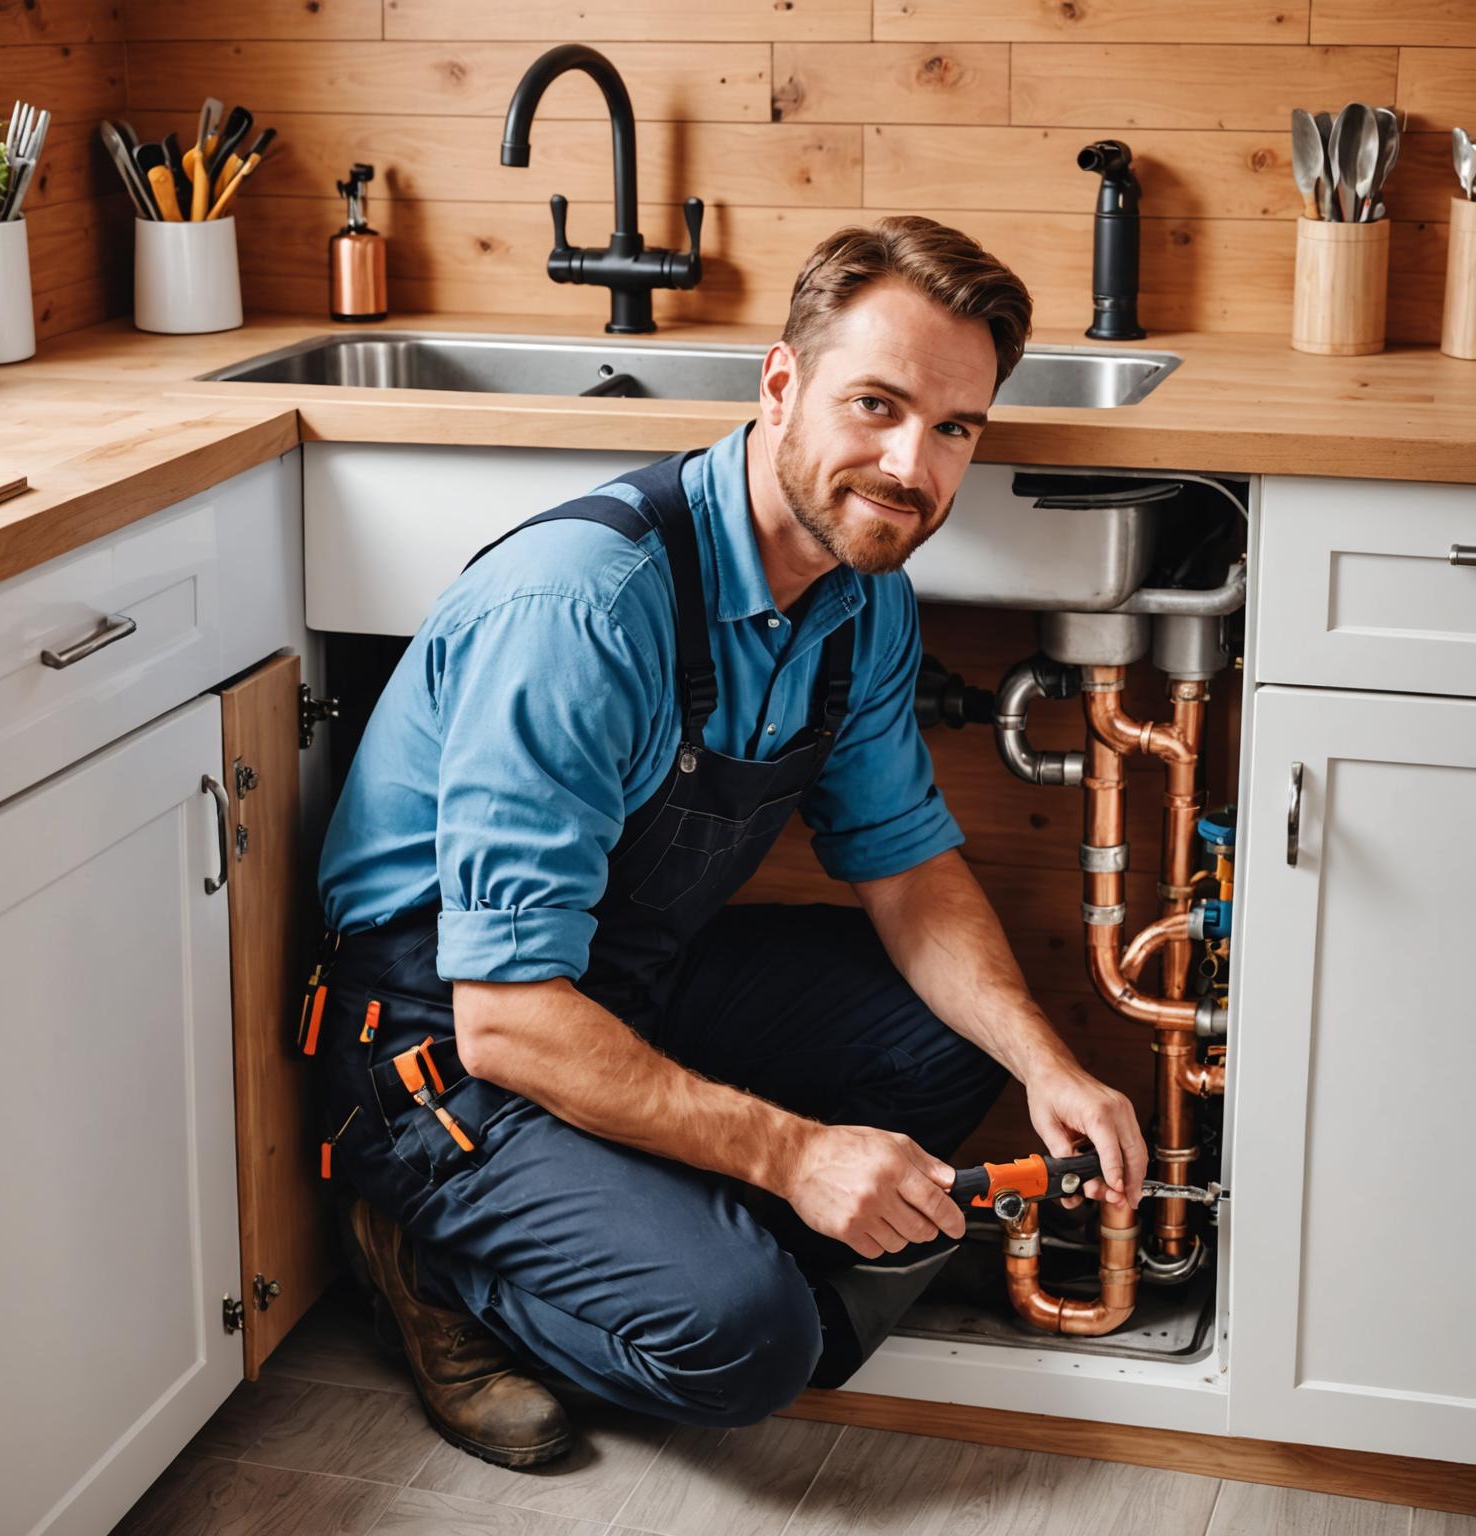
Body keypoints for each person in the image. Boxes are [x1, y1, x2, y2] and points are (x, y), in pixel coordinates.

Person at [311, 215, 1148, 1468]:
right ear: (780, 382)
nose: (910, 464)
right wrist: (794, 1156)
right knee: (748, 1338)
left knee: (949, 1040)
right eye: (876, 404)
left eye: (955, 427)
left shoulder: (862, 599)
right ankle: (425, 1259)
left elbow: (906, 867)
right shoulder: (582, 611)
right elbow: (505, 1018)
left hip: (631, 983)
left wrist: (1047, 1067)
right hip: (444, 1049)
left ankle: (660, 1227)